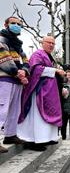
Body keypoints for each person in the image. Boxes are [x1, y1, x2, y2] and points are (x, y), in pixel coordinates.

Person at [18, 36, 64, 151]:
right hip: (38, 90)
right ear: (42, 43)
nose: (51, 45)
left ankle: (48, 137)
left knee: (50, 113)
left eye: (53, 43)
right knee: (38, 115)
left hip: (49, 91)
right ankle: (35, 140)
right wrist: (55, 70)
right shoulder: (37, 54)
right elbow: (36, 69)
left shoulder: (49, 56)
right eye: (49, 42)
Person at [0, 16, 30, 153]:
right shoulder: (1, 39)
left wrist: (24, 70)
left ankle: (10, 135)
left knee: (14, 110)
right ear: (6, 24)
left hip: (17, 81)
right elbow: (4, 59)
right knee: (2, 110)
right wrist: (18, 73)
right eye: (13, 23)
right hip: (4, 79)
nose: (16, 25)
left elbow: (25, 60)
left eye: (19, 24)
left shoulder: (18, 44)